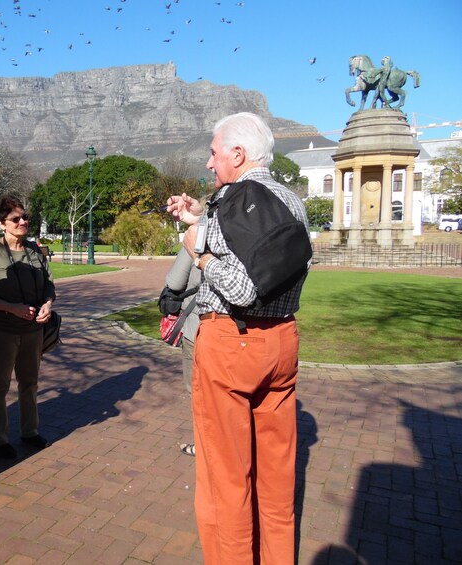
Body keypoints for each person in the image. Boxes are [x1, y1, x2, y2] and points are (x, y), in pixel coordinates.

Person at [166, 112, 308, 564]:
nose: (209, 164)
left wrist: (199, 255)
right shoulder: (291, 199)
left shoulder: (230, 198)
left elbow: (241, 285)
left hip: (232, 343)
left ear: (238, 154)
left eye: (213, 153)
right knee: (276, 475)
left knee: (225, 478)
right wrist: (197, 216)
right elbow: (251, 243)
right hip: (282, 344)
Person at [0, 195, 55, 460]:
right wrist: (12, 308)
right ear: (1, 224)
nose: (23, 222)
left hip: (32, 331)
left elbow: (48, 286)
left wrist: (47, 305)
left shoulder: (34, 251)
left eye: (25, 217)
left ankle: (30, 431)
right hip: (0, 330)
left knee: (29, 383)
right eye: (15, 219)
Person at [165, 246, 201, 457]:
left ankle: (203, 444)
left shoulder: (197, 236)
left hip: (198, 327)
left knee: (197, 390)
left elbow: (175, 282)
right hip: (240, 330)